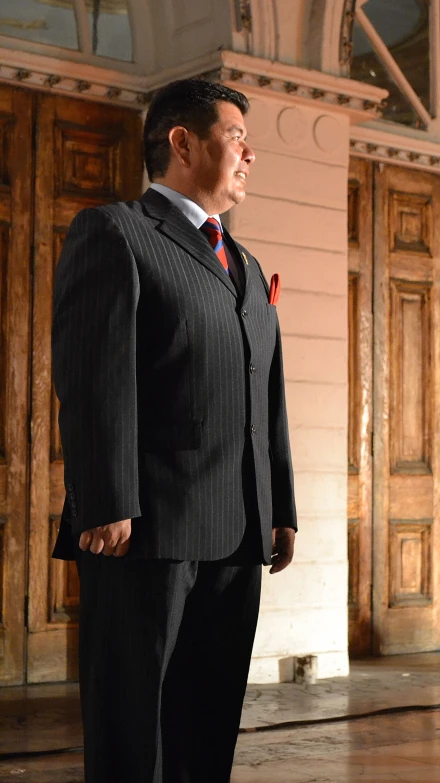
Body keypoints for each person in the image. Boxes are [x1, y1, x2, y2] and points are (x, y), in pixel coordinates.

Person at [51, 78, 297, 783]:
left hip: (237, 528)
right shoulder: (116, 232)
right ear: (182, 142)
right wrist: (104, 497)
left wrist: (279, 505)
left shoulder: (244, 264)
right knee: (134, 721)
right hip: (146, 529)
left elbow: (267, 394)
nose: (250, 155)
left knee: (208, 716)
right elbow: (94, 376)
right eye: (237, 138)